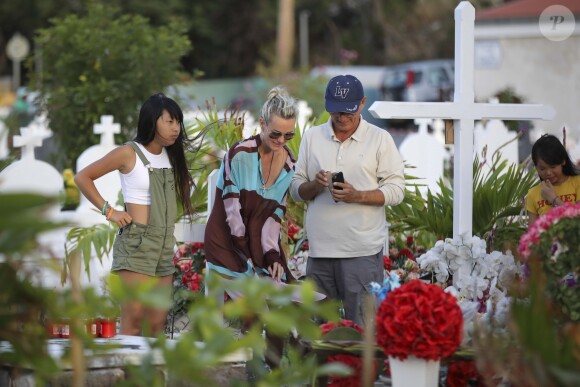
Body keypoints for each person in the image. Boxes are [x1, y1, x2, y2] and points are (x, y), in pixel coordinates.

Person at [75, 93, 194, 336]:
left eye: (178, 122)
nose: (176, 128)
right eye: (169, 121)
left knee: (156, 323)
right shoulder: (129, 153)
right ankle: (126, 373)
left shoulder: (171, 155)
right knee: (134, 319)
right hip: (137, 243)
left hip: (163, 245)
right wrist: (110, 211)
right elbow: (82, 177)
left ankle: (150, 375)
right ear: (152, 121)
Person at [289, 74, 405, 326]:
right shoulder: (312, 137)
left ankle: (364, 369)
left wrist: (356, 195)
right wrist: (315, 184)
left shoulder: (379, 138)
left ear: (362, 103)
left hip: (361, 253)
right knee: (320, 333)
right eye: (335, 111)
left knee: (363, 333)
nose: (341, 117)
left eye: (348, 112)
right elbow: (296, 190)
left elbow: (396, 190)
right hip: (319, 253)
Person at [204, 86, 298, 287]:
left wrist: (272, 256)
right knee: (259, 309)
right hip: (228, 247)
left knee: (298, 300)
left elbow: (274, 219)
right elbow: (233, 216)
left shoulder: (290, 165)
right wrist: (250, 261)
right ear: (262, 124)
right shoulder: (240, 155)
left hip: (258, 252)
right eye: (275, 134)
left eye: (288, 136)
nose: (281, 141)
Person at [525, 133, 580, 226]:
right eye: (542, 168)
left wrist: (554, 199)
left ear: (563, 160)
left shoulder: (577, 183)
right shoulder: (533, 194)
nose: (548, 173)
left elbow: (577, 221)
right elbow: (532, 233)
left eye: (553, 166)